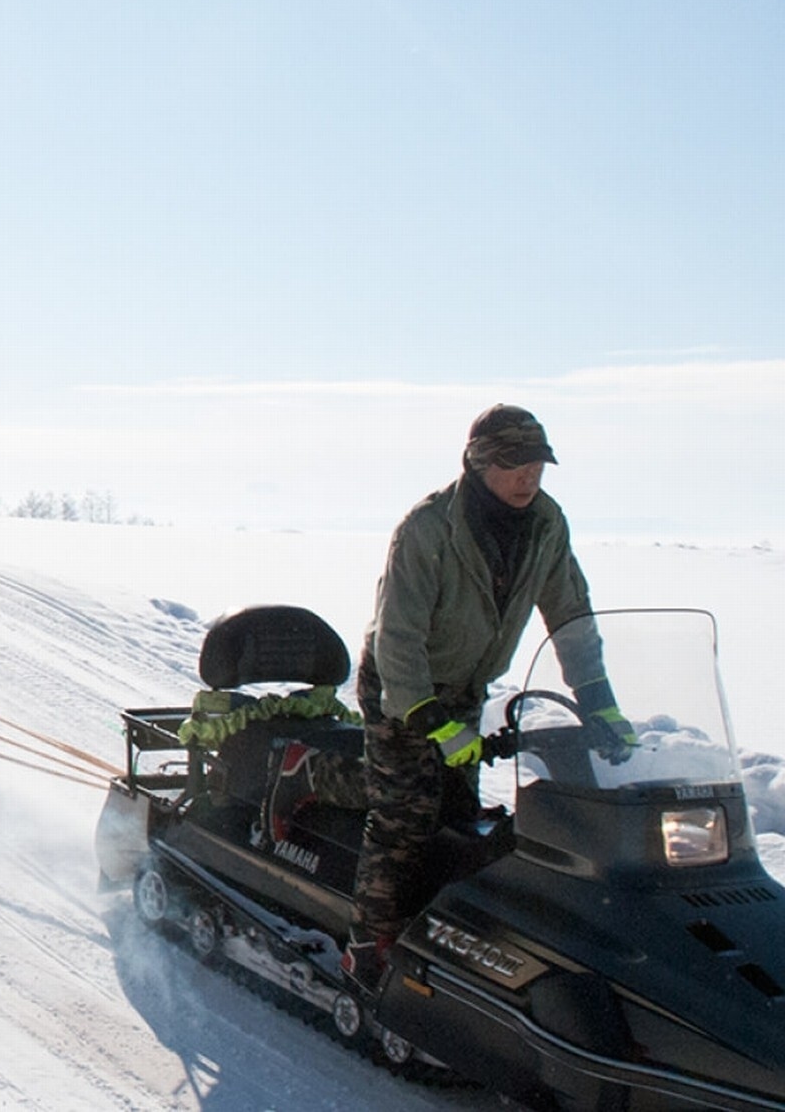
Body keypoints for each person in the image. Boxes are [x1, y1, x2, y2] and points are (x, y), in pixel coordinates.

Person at [268, 404, 629, 988]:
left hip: (464, 684)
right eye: (514, 464)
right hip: (400, 681)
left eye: (537, 463)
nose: (528, 477)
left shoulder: (545, 524)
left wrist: (598, 696)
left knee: (458, 815)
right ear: (478, 463)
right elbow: (399, 635)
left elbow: (571, 612)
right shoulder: (429, 528)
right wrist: (430, 719)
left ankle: (446, 939)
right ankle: (368, 947)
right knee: (406, 815)